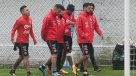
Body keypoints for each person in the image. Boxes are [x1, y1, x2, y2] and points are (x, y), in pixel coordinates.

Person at [72, 3, 103, 76]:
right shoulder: (80, 17)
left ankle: (85, 72)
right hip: (82, 40)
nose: (91, 9)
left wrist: (100, 33)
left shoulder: (93, 17)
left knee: (86, 55)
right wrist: (85, 35)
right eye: (89, 8)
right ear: (84, 8)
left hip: (89, 40)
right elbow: (78, 29)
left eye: (92, 8)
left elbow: (96, 26)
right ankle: (75, 66)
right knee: (86, 55)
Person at [10, 5, 37, 76]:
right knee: (26, 57)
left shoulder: (30, 20)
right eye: (27, 10)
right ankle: (29, 73)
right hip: (20, 42)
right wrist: (12, 39)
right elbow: (13, 29)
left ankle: (12, 71)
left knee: (21, 57)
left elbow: (31, 30)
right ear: (22, 12)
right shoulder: (19, 20)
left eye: (28, 10)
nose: (29, 11)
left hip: (26, 42)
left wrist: (34, 39)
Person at [40, 4, 65, 76]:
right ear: (55, 9)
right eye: (59, 11)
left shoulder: (56, 17)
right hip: (50, 38)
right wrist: (44, 38)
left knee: (55, 54)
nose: (59, 13)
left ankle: (43, 66)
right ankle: (54, 72)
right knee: (55, 54)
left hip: (56, 39)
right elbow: (43, 29)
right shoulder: (48, 17)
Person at [62, 4, 76, 69]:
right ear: (68, 10)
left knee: (64, 53)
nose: (72, 13)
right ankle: (73, 67)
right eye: (71, 11)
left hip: (69, 36)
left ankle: (59, 68)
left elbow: (75, 22)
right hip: (64, 36)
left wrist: (71, 25)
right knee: (68, 51)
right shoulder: (63, 14)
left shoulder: (71, 15)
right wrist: (68, 25)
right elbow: (61, 24)